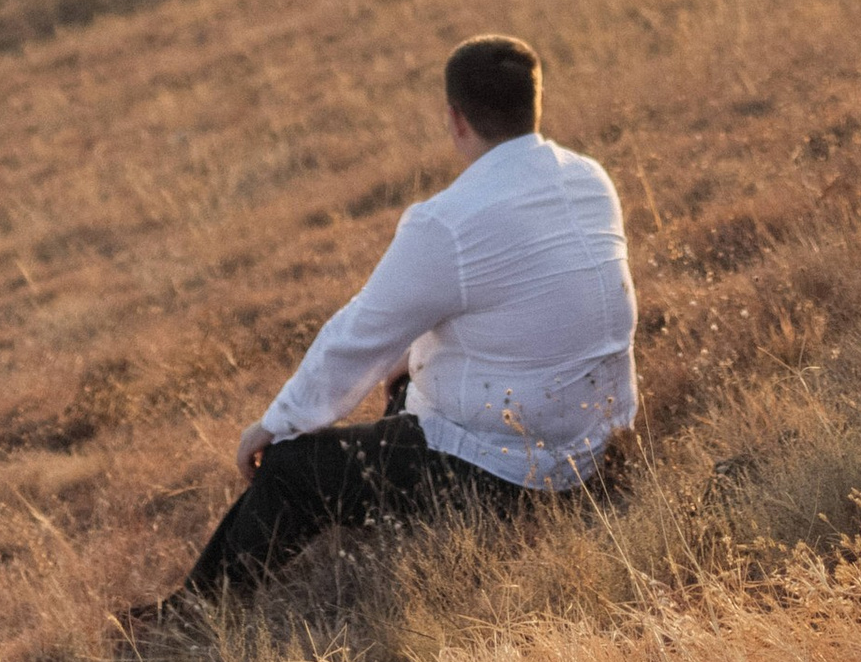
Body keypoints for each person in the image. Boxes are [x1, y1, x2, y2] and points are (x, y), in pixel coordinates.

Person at [165, 33, 637, 602]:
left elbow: (360, 335)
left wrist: (276, 424)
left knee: (290, 469)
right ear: (535, 101)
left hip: (510, 475)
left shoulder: (448, 222)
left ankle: (195, 611)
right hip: (592, 446)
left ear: (456, 119)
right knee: (407, 374)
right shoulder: (590, 178)